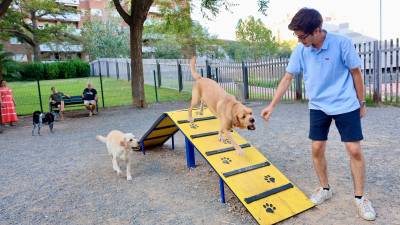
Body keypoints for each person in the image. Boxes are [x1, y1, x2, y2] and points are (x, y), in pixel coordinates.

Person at [260, 8, 376, 221]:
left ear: (316, 30)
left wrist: (361, 103)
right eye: (297, 36)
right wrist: (272, 105)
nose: (299, 39)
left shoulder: (342, 43)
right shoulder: (301, 50)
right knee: (316, 147)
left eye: (302, 36)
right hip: (318, 105)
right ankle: (325, 189)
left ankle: (360, 198)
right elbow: (287, 78)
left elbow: (356, 74)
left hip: (345, 102)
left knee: (354, 149)